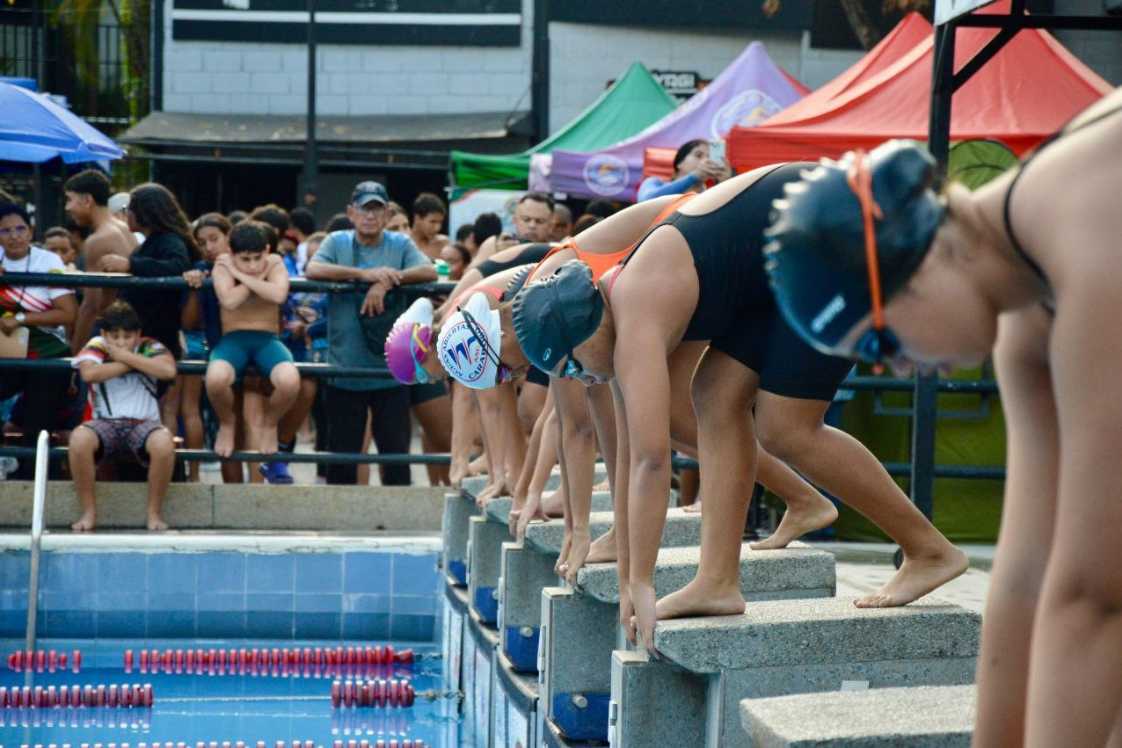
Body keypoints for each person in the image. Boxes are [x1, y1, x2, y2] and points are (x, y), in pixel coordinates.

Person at [764, 92, 1122, 747]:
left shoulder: (1086, 229)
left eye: (879, 345)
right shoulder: (1026, 301)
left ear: (916, 267)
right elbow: (1026, 573)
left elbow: (1095, 594)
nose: (898, 372)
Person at [506, 164, 967, 653]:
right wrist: (627, 577)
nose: (586, 381)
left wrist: (641, 582)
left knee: (787, 428)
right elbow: (626, 461)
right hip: (781, 262)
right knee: (716, 395)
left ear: (583, 331)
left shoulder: (636, 313)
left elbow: (651, 460)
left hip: (841, 235)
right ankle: (718, 581)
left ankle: (929, 550)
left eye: (575, 368)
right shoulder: (620, 312)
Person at [304, 180, 437, 485]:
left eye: (377, 210)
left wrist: (389, 280)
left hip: (390, 368)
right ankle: (339, 521)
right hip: (345, 366)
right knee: (342, 454)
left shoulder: (400, 244)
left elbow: (428, 271)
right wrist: (363, 275)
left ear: (388, 214)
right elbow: (314, 269)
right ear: (351, 213)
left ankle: (398, 521)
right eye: (364, 210)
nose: (370, 216)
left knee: (395, 453)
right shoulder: (337, 241)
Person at [69, 301, 177, 532]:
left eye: (127, 336)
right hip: (104, 423)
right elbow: (89, 373)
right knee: (79, 439)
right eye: (115, 336)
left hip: (144, 424)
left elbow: (168, 370)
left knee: (164, 443)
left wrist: (122, 358)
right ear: (104, 334)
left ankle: (154, 514)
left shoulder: (149, 345)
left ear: (138, 334)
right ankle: (88, 513)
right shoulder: (96, 344)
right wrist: (132, 363)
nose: (120, 342)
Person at [206, 221, 300, 458]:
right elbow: (229, 301)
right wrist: (258, 279)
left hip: (267, 340)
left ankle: (270, 424)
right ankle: (227, 424)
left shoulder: (275, 262)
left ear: (267, 250)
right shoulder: (223, 264)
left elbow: (279, 295)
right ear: (231, 253)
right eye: (245, 259)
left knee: (290, 381)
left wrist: (239, 275)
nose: (253, 265)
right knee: (215, 380)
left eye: (258, 258)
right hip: (232, 341)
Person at [0, 201, 79, 479]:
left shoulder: (49, 261)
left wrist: (21, 319)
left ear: (31, 230)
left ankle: (34, 483)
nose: (14, 236)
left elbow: (68, 313)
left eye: (20, 228)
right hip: (5, 355)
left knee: (38, 426)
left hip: (46, 354)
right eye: (6, 230)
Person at [63, 169, 138, 351]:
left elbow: (91, 306)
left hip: (110, 333)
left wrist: (75, 354)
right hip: (127, 330)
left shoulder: (98, 240)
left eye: (70, 199)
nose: (67, 207)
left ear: (87, 200)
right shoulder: (123, 228)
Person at [636, 139, 731, 202]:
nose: (706, 161)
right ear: (680, 163)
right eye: (698, 155)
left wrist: (726, 185)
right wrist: (694, 176)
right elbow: (647, 200)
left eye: (710, 157)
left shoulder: (711, 197)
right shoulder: (654, 182)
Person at [473, 193, 554, 264]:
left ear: (550, 225)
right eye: (526, 219)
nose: (532, 225)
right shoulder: (495, 245)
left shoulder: (557, 253)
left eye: (540, 221)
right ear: (515, 220)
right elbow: (470, 276)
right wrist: (496, 257)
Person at [410, 192, 450, 260]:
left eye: (440, 222)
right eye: (433, 222)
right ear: (417, 218)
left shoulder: (443, 243)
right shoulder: (404, 244)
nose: (437, 228)